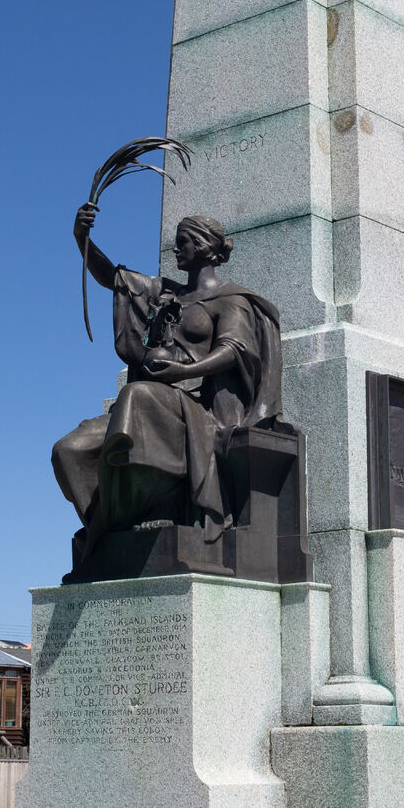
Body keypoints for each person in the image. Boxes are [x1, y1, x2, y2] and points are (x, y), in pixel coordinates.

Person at [52, 205, 284, 565]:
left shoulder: (230, 299)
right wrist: (83, 239)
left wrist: (182, 370)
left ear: (204, 247)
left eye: (183, 242)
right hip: (151, 399)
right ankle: (110, 529)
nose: (175, 249)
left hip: (196, 405)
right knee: (68, 450)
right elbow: (114, 278)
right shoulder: (165, 292)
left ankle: (154, 509)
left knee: (137, 395)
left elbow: (235, 349)